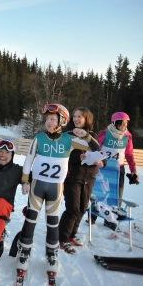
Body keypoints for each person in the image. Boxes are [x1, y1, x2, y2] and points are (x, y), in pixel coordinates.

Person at [16, 103, 100, 276]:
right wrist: (25, 180)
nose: (49, 122)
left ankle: (52, 253)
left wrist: (87, 136)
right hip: (37, 186)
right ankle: (24, 251)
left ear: (62, 121)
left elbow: (96, 149)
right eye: (47, 119)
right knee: (30, 219)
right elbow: (29, 159)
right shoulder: (39, 137)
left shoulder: (69, 139)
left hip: (56, 188)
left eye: (53, 119)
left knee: (52, 223)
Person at [59, 107, 103, 254]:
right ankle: (62, 238)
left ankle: (71, 235)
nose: (76, 119)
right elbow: (62, 155)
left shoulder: (93, 135)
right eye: (75, 116)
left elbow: (100, 153)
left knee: (83, 208)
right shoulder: (68, 135)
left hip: (89, 177)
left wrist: (101, 162)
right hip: (72, 177)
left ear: (87, 119)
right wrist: (78, 157)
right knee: (73, 208)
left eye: (80, 117)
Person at [98, 111, 138, 202]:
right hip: (103, 168)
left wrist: (133, 171)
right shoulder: (104, 134)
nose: (125, 126)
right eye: (122, 123)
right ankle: (92, 216)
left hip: (118, 169)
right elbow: (95, 149)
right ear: (115, 123)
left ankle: (113, 214)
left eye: (126, 123)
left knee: (116, 197)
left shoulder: (127, 136)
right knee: (99, 194)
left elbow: (129, 155)